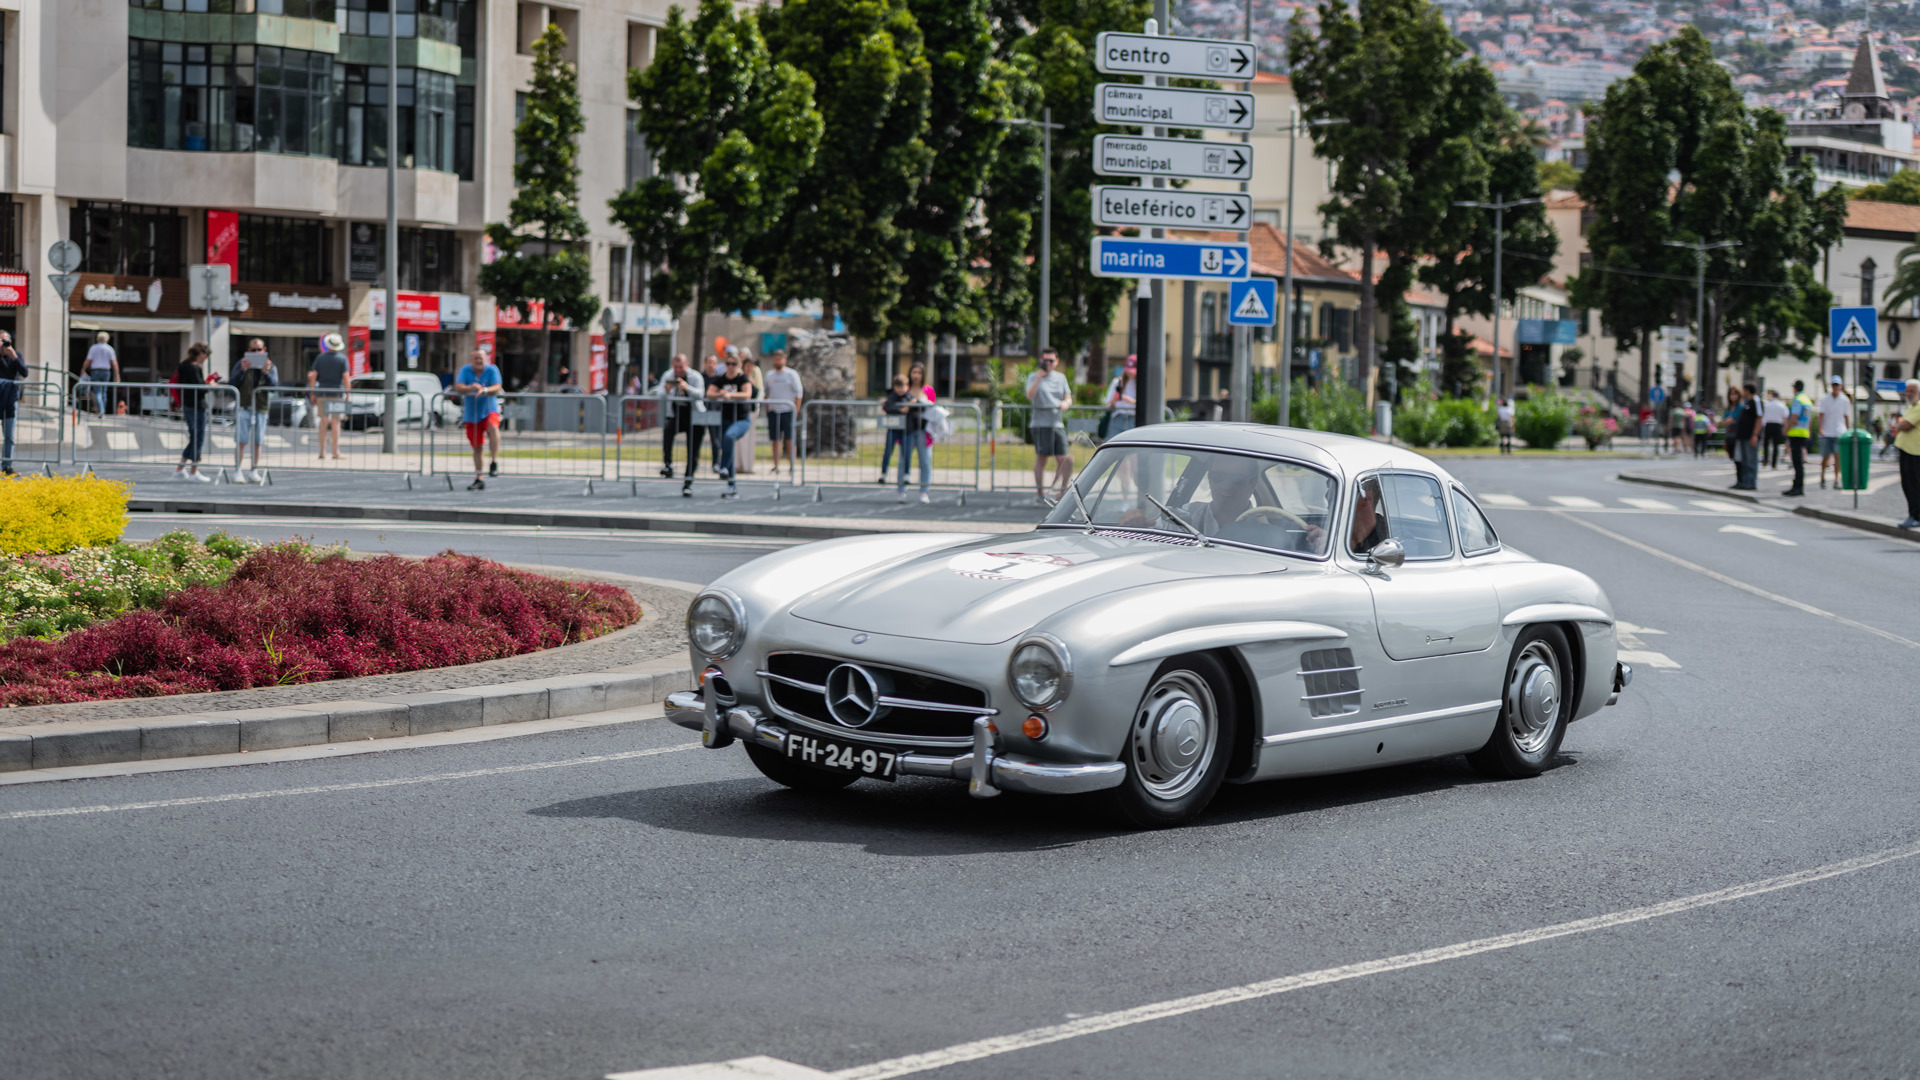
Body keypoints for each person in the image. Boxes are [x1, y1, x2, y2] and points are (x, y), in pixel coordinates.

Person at [1026, 348, 1072, 507]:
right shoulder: (1033, 376)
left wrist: (1066, 403)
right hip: (1040, 424)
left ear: (1056, 362)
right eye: (1045, 360)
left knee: (1066, 459)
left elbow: (1068, 396)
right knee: (1042, 459)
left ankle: (1060, 491)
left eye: (1051, 360)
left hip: (1056, 423)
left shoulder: (1061, 378)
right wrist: (1038, 380)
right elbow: (1029, 396)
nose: (1048, 364)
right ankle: (1040, 494)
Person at [227, 338, 277, 483]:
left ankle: (254, 470)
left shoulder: (270, 366)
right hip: (244, 406)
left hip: (260, 407)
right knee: (241, 441)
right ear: (248, 351)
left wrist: (266, 373)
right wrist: (242, 371)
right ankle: (237, 470)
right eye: (253, 350)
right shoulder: (241, 364)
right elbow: (232, 384)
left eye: (259, 350)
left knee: (258, 441)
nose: (256, 352)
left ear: (264, 350)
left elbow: (274, 385)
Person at [655, 353, 706, 496]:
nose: (678, 370)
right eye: (676, 367)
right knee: (668, 431)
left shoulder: (695, 377)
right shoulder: (668, 375)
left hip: (695, 416)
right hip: (677, 414)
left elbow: (701, 394)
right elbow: (659, 394)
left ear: (687, 365)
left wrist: (686, 388)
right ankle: (668, 465)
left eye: (681, 367)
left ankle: (688, 482)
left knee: (692, 450)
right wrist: (666, 389)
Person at [452, 349, 503, 490]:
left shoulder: (492, 370)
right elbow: (459, 386)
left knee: (493, 427)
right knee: (477, 447)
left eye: (480, 358)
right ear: (471, 359)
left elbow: (497, 386)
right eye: (475, 358)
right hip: (471, 414)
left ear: (486, 358)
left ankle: (494, 461)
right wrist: (471, 388)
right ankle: (479, 478)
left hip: (489, 409)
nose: (478, 361)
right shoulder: (466, 370)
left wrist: (484, 390)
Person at [708, 351, 754, 498]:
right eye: (728, 363)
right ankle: (732, 488)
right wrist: (720, 394)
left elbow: (747, 394)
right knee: (728, 450)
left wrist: (730, 395)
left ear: (738, 365)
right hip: (725, 419)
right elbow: (709, 393)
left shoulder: (742, 378)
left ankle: (722, 467)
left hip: (741, 419)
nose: (730, 366)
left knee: (729, 437)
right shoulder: (721, 379)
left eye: (733, 364)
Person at [173, 344, 212, 482]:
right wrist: (210, 385)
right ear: (200, 353)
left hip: (187, 405)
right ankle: (193, 472)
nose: (206, 357)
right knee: (198, 438)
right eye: (206, 354)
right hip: (196, 405)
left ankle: (180, 468)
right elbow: (199, 389)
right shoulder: (195, 368)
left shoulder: (184, 365)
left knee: (194, 437)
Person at [762, 349, 803, 477]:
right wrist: (767, 410)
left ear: (784, 360)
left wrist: (796, 409)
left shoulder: (791, 374)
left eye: (779, 359)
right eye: (775, 359)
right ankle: (776, 465)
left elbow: (799, 393)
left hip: (787, 411)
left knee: (789, 440)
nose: (777, 361)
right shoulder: (769, 375)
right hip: (774, 412)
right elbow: (766, 394)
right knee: (775, 440)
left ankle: (791, 466)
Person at [308, 332, 350, 461]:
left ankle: (322, 451)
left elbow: (313, 376)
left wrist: (312, 392)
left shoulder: (320, 358)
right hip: (337, 394)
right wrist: (348, 394)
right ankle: (335, 452)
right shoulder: (342, 359)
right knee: (336, 423)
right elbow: (346, 377)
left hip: (322, 393)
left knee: (323, 422)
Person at [1894, 379, 1920, 529]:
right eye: (1907, 391)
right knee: (1907, 484)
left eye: (1912, 391)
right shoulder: (1912, 406)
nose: (1908, 394)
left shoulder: (1918, 407)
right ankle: (1912, 514)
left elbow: (1905, 425)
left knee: (1913, 484)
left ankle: (1916, 516)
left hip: (1915, 451)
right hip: (1907, 450)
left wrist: (1899, 425)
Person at [1818, 374, 1851, 488]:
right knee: (1825, 458)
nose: (1835, 387)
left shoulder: (1845, 400)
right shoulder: (1825, 399)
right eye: (1833, 385)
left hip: (1839, 432)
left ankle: (1837, 480)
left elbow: (1846, 416)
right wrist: (1820, 428)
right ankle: (1822, 476)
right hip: (1827, 432)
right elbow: (1821, 415)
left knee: (1838, 458)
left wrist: (1848, 431)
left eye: (1837, 385)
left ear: (1841, 386)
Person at [0, 331, 26, 475]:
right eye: (1, 341)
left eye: (6, 341)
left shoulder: (16, 355)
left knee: (9, 435)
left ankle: (6, 466)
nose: (4, 345)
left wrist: (13, 355)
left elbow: (24, 372)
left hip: (9, 399)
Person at [1782, 380, 1813, 497]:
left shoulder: (1798, 400)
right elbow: (1808, 419)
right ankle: (1798, 486)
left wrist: (1786, 429)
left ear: (1795, 388)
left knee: (1797, 462)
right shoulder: (1807, 400)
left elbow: (1794, 417)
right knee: (1799, 462)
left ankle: (1797, 487)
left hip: (1796, 433)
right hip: (1803, 433)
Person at [736, 350, 764, 475]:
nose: (750, 368)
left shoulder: (755, 377)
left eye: (751, 366)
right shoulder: (740, 377)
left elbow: (759, 392)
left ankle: (748, 466)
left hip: (751, 411)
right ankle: (738, 465)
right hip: (741, 412)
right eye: (747, 366)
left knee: (750, 440)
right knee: (740, 440)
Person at [1730, 384, 1761, 491]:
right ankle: (1744, 481)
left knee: (1751, 459)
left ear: (1747, 390)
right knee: (1744, 460)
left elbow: (1759, 418)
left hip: (1750, 436)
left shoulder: (1756, 401)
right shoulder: (1747, 402)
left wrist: (1755, 435)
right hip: (1743, 436)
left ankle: (1751, 482)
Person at [1106, 356, 1138, 438]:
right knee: (1114, 447)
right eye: (1128, 370)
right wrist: (1115, 399)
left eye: (1132, 371)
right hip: (1118, 418)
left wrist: (1129, 400)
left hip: (1133, 419)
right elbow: (1107, 406)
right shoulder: (1117, 382)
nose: (1129, 373)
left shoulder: (1141, 383)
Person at [1760, 388, 1788, 468]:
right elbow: (1785, 417)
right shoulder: (1782, 405)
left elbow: (1763, 416)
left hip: (1768, 425)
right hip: (1777, 425)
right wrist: (1784, 427)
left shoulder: (1767, 404)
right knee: (1776, 445)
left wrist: (1763, 426)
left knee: (1766, 444)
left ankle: (1765, 460)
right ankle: (1774, 463)